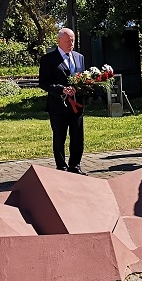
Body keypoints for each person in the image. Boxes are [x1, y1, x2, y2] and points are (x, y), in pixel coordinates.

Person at [38, 27, 87, 175]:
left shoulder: (79, 57)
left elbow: (82, 79)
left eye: (72, 40)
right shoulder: (48, 59)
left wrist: (82, 87)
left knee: (78, 137)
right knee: (60, 137)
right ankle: (61, 167)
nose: (70, 43)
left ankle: (75, 165)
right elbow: (43, 83)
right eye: (67, 41)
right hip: (58, 106)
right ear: (59, 41)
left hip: (77, 105)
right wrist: (61, 89)